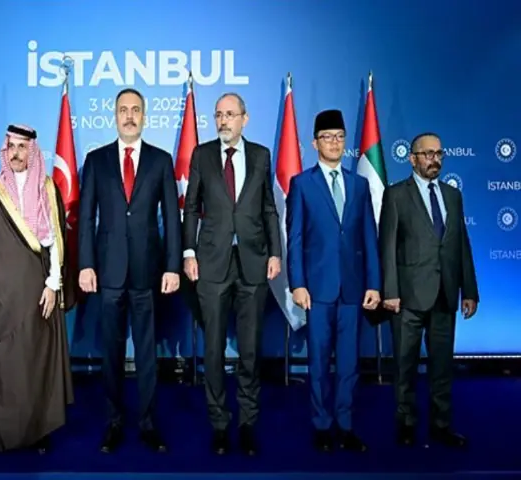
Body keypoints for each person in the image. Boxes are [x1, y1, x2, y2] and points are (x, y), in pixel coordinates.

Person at [78, 88, 181, 453]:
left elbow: (172, 218)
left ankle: (148, 424)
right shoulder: (96, 160)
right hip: (108, 272)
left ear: (144, 116)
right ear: (115, 115)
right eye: (123, 110)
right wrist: (86, 264)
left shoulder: (160, 160)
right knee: (111, 353)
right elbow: (86, 217)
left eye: (136, 110)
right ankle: (113, 423)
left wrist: (172, 267)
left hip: (146, 272)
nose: (129, 116)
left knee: (148, 354)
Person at [182, 93, 281, 456]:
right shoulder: (202, 154)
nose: (223, 121)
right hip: (211, 263)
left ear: (245, 118)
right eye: (218, 115)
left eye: (230, 114)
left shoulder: (261, 156)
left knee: (250, 350)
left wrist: (275, 253)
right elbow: (192, 207)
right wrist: (189, 252)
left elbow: (268, 208)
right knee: (213, 349)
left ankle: (248, 424)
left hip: (253, 262)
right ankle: (220, 424)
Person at [0, 124, 75, 455]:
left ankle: (36, 430)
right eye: (11, 147)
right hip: (0, 297)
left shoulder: (47, 188)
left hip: (35, 295)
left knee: (33, 363)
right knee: (1, 364)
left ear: (32, 150)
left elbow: (55, 241)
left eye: (22, 147)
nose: (15, 153)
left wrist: (53, 285)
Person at [286, 109, 381, 452]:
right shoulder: (302, 184)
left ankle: (346, 424)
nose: (334, 143)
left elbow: (368, 237)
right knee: (318, 362)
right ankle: (322, 425)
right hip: (317, 289)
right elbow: (295, 238)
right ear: (315, 143)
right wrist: (297, 283)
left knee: (349, 363)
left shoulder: (359, 184)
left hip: (353, 289)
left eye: (340, 137)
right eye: (327, 137)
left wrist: (374, 283)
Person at [379, 132, 477, 449]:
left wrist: (469, 290)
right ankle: (406, 424)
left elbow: (461, 244)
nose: (434, 160)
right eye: (428, 154)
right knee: (405, 366)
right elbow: (387, 246)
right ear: (412, 158)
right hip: (407, 297)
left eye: (438, 154)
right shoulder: (396, 195)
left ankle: (441, 425)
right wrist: (390, 292)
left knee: (442, 367)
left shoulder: (453, 195)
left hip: (445, 294)